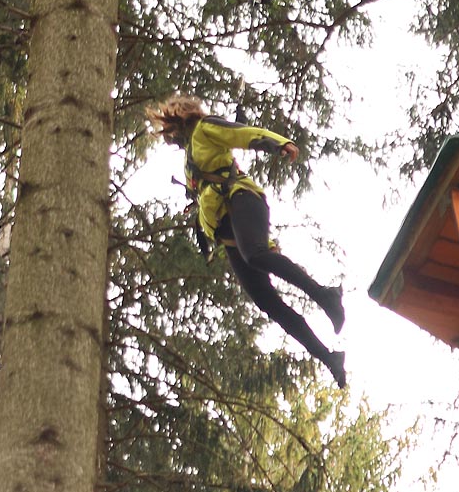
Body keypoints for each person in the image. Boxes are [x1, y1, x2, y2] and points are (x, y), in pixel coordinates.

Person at [147, 93, 346, 387]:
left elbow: (241, 135)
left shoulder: (204, 128)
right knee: (267, 302)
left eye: (169, 130)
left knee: (255, 254)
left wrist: (277, 143)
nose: (169, 138)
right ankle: (329, 358)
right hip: (229, 232)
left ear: (178, 121)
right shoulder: (192, 156)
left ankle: (325, 295)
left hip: (242, 199)